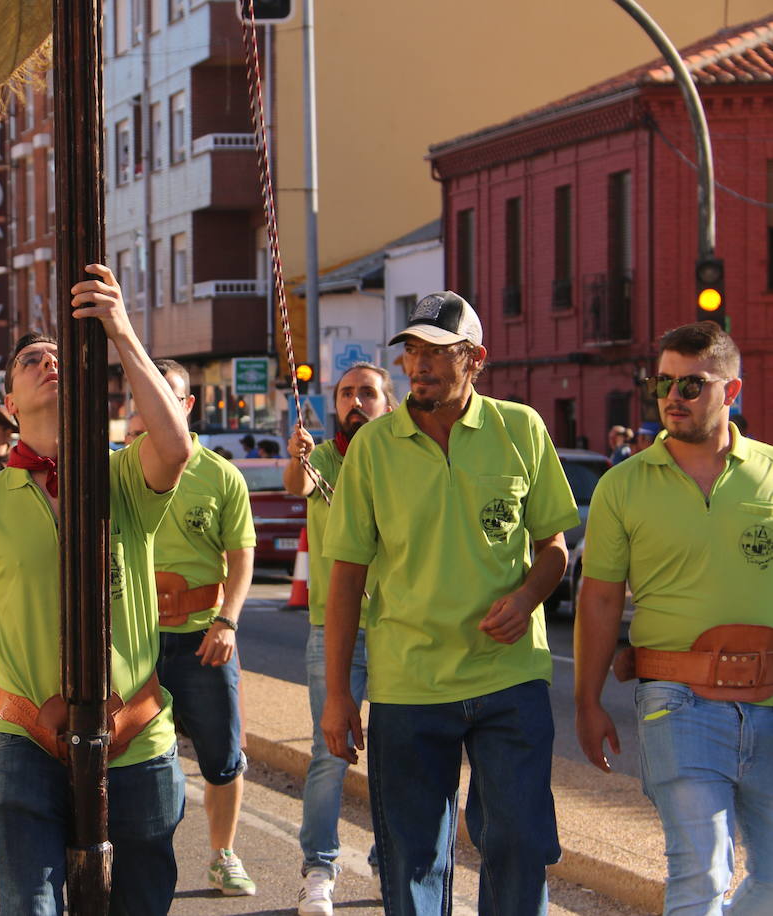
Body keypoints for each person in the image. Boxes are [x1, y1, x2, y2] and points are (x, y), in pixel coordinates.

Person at [0, 264, 193, 916]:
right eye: (30, 359)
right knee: (31, 908)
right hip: (23, 741)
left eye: (58, 356)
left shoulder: (124, 476)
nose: (47, 360)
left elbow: (176, 445)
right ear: (10, 404)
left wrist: (119, 328)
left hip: (135, 738)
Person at [320, 291, 578, 914]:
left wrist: (527, 596)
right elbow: (346, 577)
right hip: (409, 683)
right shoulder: (375, 448)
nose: (421, 364)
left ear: (476, 359)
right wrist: (337, 695)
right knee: (413, 861)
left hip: (509, 679)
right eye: (412, 350)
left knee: (519, 838)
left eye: (438, 351)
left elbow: (554, 549)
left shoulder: (521, 429)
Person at [575, 321, 773, 913]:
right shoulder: (621, 486)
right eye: (661, 383)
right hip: (676, 702)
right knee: (701, 871)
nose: (672, 397)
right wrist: (587, 701)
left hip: (771, 700)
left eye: (691, 384)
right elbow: (600, 599)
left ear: (730, 392)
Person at [283, 362, 395, 915]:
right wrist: (298, 454)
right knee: (331, 754)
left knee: (398, 754)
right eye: (347, 393)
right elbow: (296, 485)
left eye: (367, 393)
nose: (356, 401)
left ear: (387, 403)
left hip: (400, 626)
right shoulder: (323, 457)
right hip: (334, 630)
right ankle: (319, 870)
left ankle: (389, 862)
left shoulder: (404, 456)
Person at [145, 359, 258, 896]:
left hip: (202, 641)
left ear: (188, 405)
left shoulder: (221, 475)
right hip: (135, 642)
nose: (157, 404)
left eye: (168, 394)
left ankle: (223, 854)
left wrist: (227, 621)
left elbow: (241, 560)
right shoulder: (120, 471)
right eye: (147, 394)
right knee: (133, 757)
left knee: (221, 755)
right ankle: (138, 859)